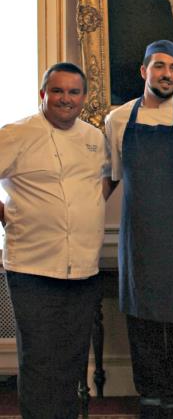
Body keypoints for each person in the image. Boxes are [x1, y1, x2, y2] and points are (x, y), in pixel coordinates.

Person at [105, 40, 173, 418]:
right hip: (140, 239)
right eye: (159, 66)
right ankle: (150, 398)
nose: (166, 74)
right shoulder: (117, 120)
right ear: (144, 71)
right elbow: (112, 179)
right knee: (143, 321)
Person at [0, 63, 108, 418]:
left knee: (72, 359)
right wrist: (8, 216)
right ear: (42, 94)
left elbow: (101, 186)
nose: (66, 99)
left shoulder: (94, 138)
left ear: (84, 98)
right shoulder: (16, 133)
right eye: (57, 91)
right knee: (40, 361)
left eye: (73, 92)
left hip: (82, 268)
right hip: (33, 267)